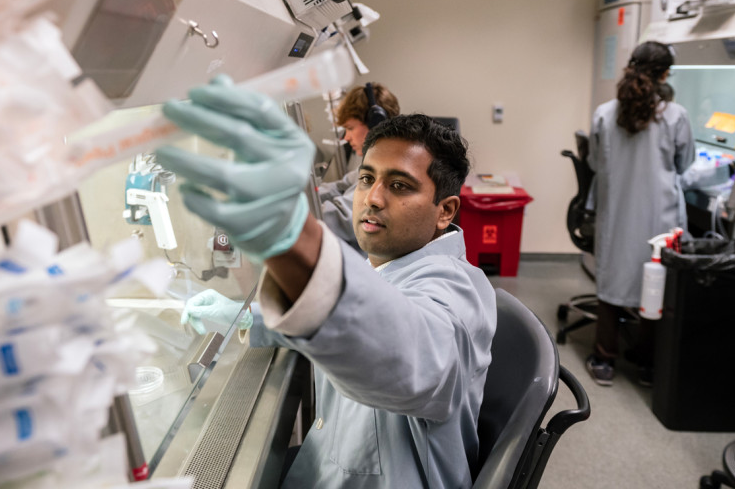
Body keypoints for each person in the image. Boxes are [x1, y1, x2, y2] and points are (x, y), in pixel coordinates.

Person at [155, 78, 496, 488]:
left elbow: (408, 353)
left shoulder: (456, 294)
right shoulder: (389, 265)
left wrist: (294, 234)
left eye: (400, 185)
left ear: (445, 211)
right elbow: (355, 323)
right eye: (367, 179)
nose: (372, 198)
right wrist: (247, 319)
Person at [585, 41, 695, 387]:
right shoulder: (676, 116)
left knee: (612, 275)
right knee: (656, 282)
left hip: (617, 212)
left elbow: (593, 163)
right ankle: (648, 364)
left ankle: (604, 359)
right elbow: (685, 165)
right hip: (658, 218)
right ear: (664, 74)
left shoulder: (605, 113)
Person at [317, 83, 400, 252]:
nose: (346, 137)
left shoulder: (386, 168)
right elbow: (339, 187)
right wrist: (309, 193)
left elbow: (344, 217)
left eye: (350, 128)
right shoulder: (371, 164)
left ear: (376, 124)